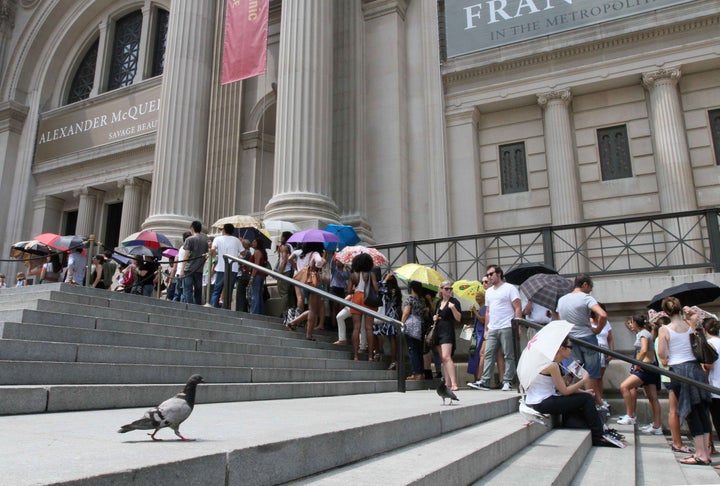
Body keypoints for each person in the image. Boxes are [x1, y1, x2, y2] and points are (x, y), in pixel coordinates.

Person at [525, 336, 623, 448]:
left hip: (546, 399)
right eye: (570, 347)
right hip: (542, 402)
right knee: (586, 399)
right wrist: (584, 381)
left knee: (585, 397)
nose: (572, 349)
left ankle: (597, 429)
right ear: (562, 348)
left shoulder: (555, 363)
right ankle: (598, 436)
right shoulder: (552, 365)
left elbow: (563, 385)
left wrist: (583, 391)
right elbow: (565, 391)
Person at [657, 297, 713, 465]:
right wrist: (691, 313)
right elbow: (699, 322)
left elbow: (662, 354)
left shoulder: (664, 329)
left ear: (666, 312)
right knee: (702, 411)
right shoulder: (690, 323)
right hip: (696, 369)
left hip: (679, 371)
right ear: (680, 308)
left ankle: (700, 454)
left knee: (690, 412)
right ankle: (705, 452)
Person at [556, 274, 607, 406]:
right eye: (590, 287)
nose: (591, 290)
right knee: (591, 372)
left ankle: (581, 401)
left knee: (576, 371)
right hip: (587, 338)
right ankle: (594, 402)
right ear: (585, 285)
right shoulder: (586, 297)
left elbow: (559, 318)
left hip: (570, 341)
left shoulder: (562, 300)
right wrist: (598, 330)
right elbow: (602, 314)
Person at [470, 265, 521, 391]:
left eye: (490, 274)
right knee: (488, 354)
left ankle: (508, 381)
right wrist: (487, 328)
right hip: (493, 327)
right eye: (487, 275)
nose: (488, 277)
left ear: (498, 274)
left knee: (508, 355)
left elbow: (518, 307)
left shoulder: (510, 288)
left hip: (507, 326)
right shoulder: (489, 292)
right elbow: (488, 311)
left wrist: (517, 325)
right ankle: (485, 380)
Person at [650, 310, 693, 453]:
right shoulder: (662, 337)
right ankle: (677, 442)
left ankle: (678, 441)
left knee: (677, 410)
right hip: (672, 375)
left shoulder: (661, 336)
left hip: (671, 375)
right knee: (675, 411)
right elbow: (664, 358)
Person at [617, 314, 662, 434]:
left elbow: (644, 349)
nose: (630, 325)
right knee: (653, 398)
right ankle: (657, 426)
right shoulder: (644, 333)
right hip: (650, 367)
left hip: (645, 367)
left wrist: (637, 363)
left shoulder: (643, 333)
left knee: (624, 386)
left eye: (631, 322)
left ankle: (630, 415)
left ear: (636, 323)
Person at [348, 252, 378, 359]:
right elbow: (376, 289)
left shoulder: (353, 275)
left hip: (356, 298)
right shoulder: (371, 274)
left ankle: (356, 356)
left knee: (356, 328)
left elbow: (348, 291)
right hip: (367, 298)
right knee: (369, 328)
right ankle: (370, 356)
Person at [433, 280, 462, 391]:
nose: (449, 290)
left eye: (450, 289)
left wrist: (453, 308)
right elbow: (436, 315)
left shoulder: (454, 302)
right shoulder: (439, 303)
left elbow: (458, 318)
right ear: (441, 290)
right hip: (438, 330)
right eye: (446, 289)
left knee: (446, 356)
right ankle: (447, 382)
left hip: (447, 330)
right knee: (443, 358)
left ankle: (454, 383)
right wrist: (435, 318)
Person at [296, 242, 326, 341]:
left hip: (304, 283)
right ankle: (309, 334)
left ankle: (293, 322)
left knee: (311, 308)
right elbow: (319, 263)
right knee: (313, 309)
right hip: (313, 283)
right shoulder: (315, 254)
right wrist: (323, 258)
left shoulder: (302, 255)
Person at [209, 223, 242, 308]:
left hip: (221, 267)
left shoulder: (217, 239)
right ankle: (226, 308)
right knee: (229, 290)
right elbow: (244, 253)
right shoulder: (236, 240)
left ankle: (213, 307)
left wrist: (214, 257)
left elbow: (213, 250)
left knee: (217, 289)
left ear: (224, 230)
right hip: (233, 268)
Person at [402, 280, 427, 380]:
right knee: (419, 350)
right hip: (420, 325)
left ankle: (415, 373)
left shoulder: (410, 299)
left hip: (411, 325)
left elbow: (406, 312)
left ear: (411, 288)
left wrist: (402, 323)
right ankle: (421, 373)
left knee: (412, 350)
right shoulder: (422, 300)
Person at [376, 271, 401, 370]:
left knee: (392, 338)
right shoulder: (396, 290)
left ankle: (394, 360)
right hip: (393, 314)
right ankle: (392, 359)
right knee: (391, 337)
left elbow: (379, 289)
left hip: (390, 315)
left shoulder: (391, 291)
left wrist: (385, 280)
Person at [180, 221, 208, 305]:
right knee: (198, 291)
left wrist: (182, 269)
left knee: (187, 290)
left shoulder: (189, 239)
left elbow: (186, 255)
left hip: (189, 269)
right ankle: (197, 307)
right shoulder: (205, 242)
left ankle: (189, 306)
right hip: (199, 269)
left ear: (192, 228)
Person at [593, 303, 614, 410]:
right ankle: (596, 400)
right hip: (593, 350)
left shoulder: (606, 322)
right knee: (594, 377)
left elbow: (610, 338)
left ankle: (600, 398)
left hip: (604, 350)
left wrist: (611, 351)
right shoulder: (588, 321)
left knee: (600, 377)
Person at [275, 231, 296, 319]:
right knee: (290, 294)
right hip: (290, 272)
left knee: (283, 293)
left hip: (285, 272)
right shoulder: (290, 246)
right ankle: (292, 314)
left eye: (281, 236)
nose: (280, 237)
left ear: (284, 237)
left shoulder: (284, 247)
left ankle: (284, 313)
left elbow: (283, 261)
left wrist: (280, 273)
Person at [467, 291, 486, 384]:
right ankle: (475, 377)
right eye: (476, 296)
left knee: (478, 354)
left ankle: (479, 377)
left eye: (479, 296)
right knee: (473, 354)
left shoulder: (484, 308)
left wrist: (475, 311)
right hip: (475, 335)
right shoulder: (480, 308)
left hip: (481, 334)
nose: (477, 298)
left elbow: (483, 320)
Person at [249, 237, 269, 315]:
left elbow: (256, 265)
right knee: (259, 294)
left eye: (254, 242)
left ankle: (254, 311)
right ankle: (260, 311)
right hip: (261, 275)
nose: (252, 243)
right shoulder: (262, 252)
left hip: (257, 275)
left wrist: (252, 277)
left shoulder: (257, 252)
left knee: (255, 294)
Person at [235, 239, 253, 312]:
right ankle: (241, 308)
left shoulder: (247, 252)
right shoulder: (245, 252)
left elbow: (240, 261)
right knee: (240, 293)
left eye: (241, 244)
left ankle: (241, 309)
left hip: (243, 275)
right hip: (241, 274)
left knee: (240, 293)